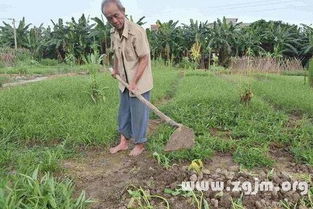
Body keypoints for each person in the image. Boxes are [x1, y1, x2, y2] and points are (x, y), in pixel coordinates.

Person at [101, 0, 153, 156]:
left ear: (123, 11)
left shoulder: (137, 31)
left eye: (116, 15)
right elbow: (117, 54)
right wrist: (116, 71)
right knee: (123, 112)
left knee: (138, 113)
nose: (114, 21)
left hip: (139, 81)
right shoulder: (113, 33)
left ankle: (140, 144)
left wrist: (134, 82)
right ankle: (123, 142)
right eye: (110, 18)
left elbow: (144, 58)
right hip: (124, 81)